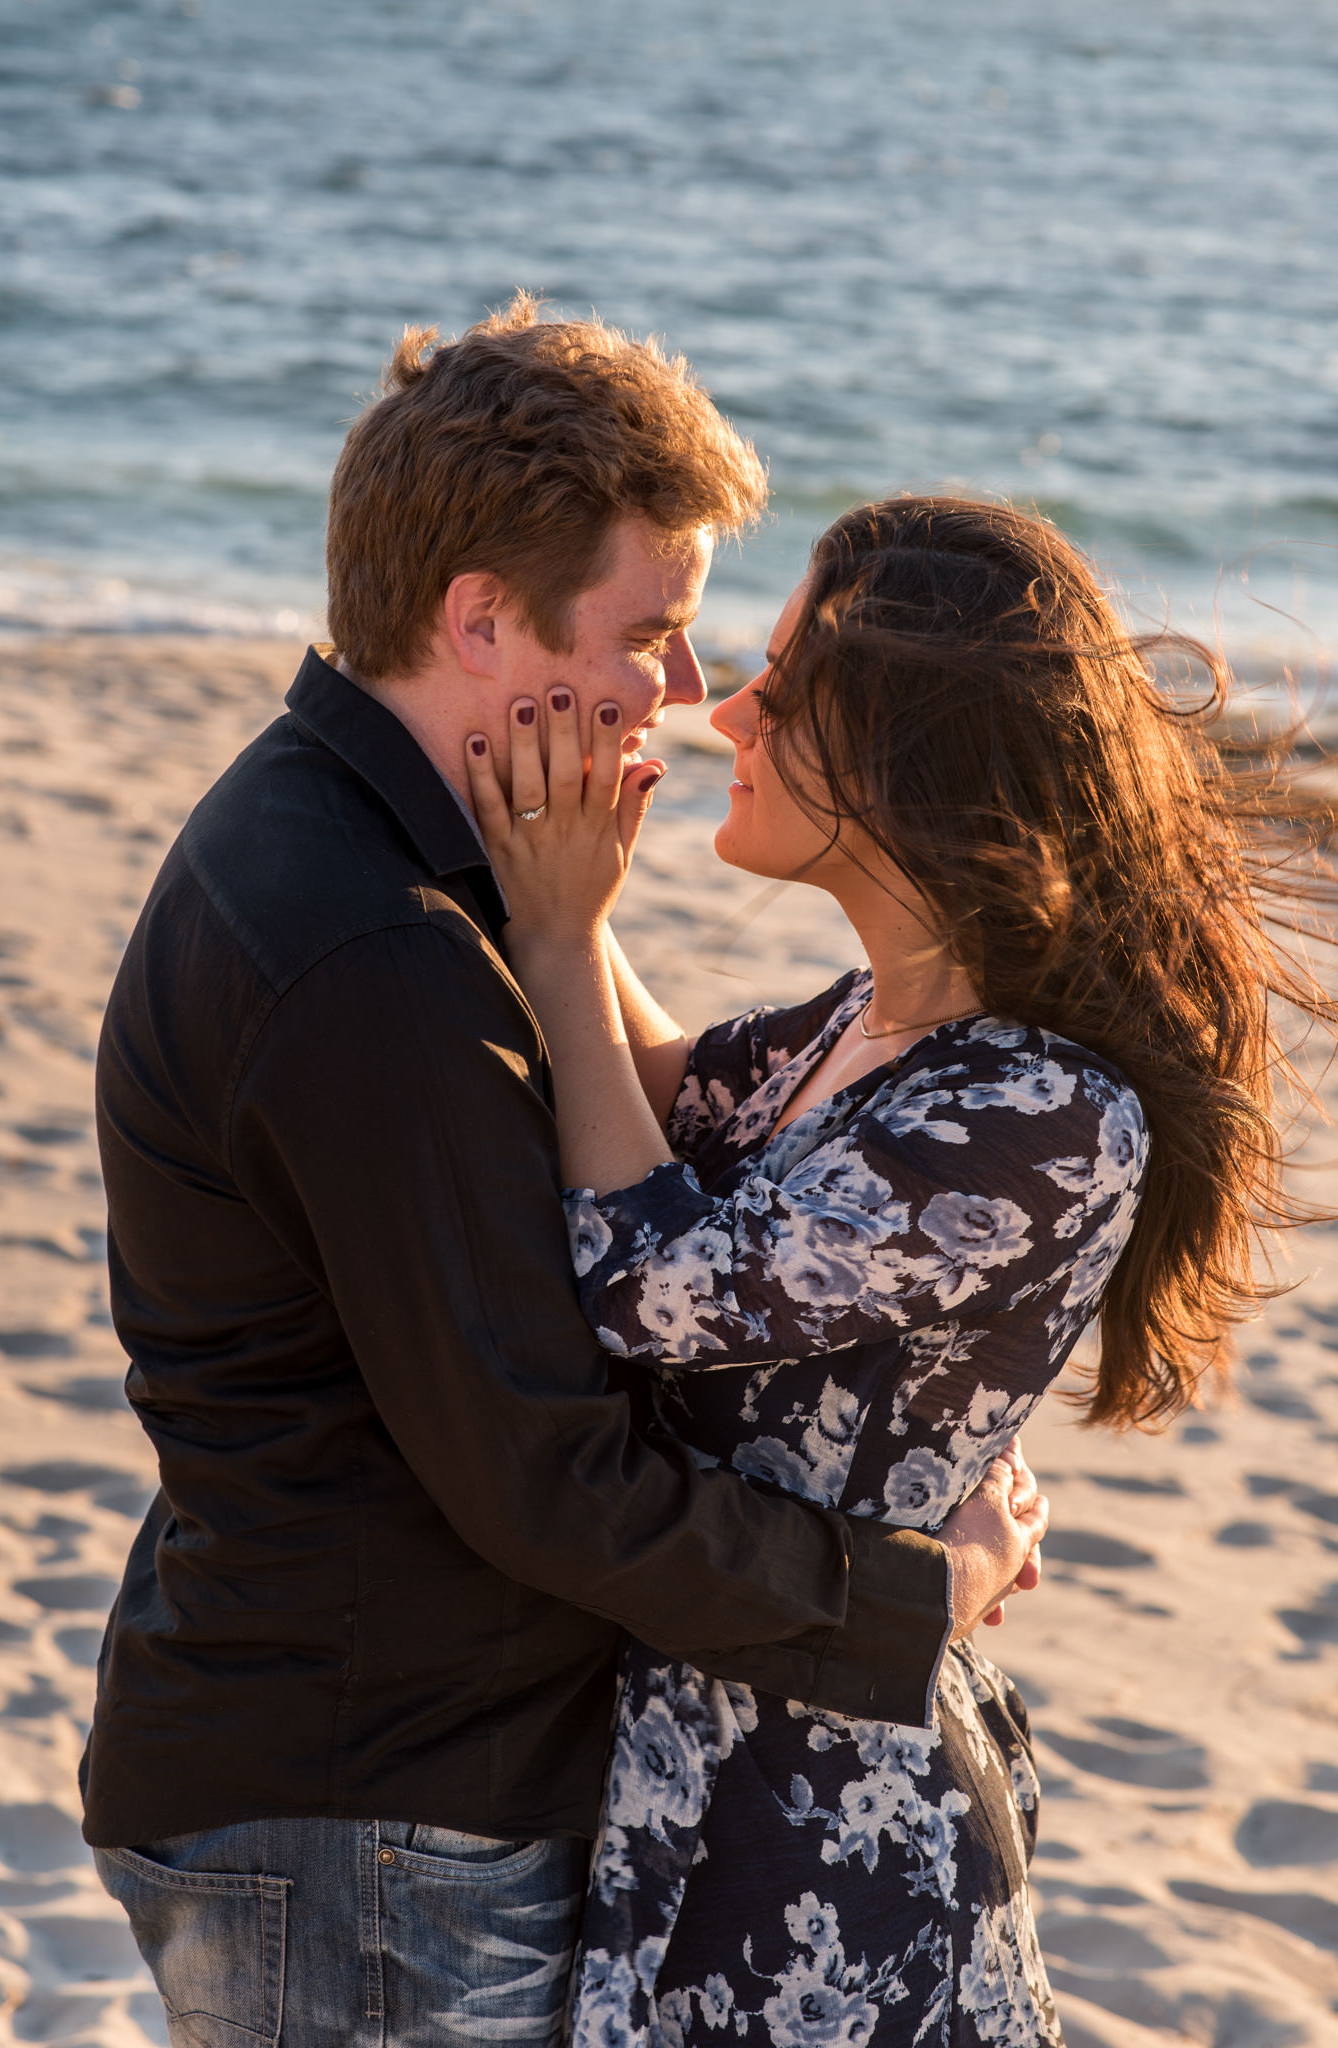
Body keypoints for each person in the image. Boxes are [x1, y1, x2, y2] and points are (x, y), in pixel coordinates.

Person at [84, 305, 1049, 2048]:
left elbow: (685, 1154)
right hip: (368, 1813)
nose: (685, 691)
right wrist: (918, 1598)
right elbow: (553, 1481)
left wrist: (565, 930)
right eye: (654, 633)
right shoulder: (367, 955)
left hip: (365, 1780)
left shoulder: (385, 864)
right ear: (481, 623)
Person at [468, 494, 1336, 2046]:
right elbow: (656, 1092)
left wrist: (556, 933)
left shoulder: (1045, 1113)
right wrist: (554, 866)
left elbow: (645, 1279)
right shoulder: (868, 1024)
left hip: (830, 1839)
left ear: (902, 756)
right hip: (716, 1761)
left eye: (784, 688)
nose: (723, 705)